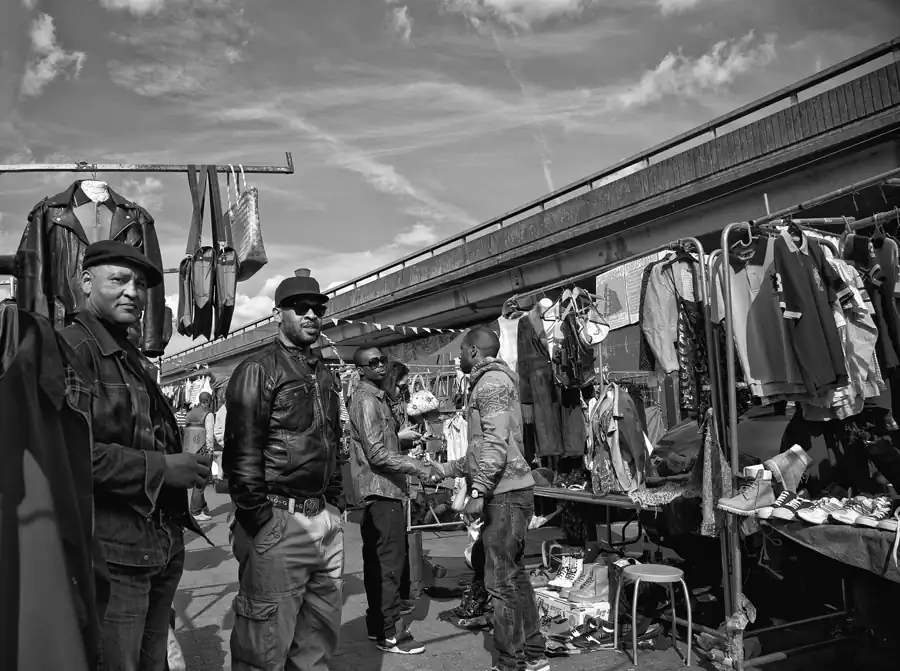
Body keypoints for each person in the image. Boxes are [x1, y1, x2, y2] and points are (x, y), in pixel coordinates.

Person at [60, 240, 210, 671]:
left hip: (157, 546)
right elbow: (69, 455)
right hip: (113, 555)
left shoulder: (128, 355)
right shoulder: (72, 349)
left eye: (140, 284)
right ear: (85, 282)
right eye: (119, 280)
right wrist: (163, 468)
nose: (133, 292)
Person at [224, 270, 345, 671]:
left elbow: (333, 439)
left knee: (317, 641)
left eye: (318, 308)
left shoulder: (323, 372)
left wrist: (335, 503)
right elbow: (241, 452)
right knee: (263, 649)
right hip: (279, 519)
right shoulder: (258, 369)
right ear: (278, 314)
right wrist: (260, 518)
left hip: (323, 519)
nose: (311, 314)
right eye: (299, 307)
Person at [433, 327, 548, 671]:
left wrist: (478, 491)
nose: (458, 357)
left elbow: (496, 445)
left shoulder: (491, 383)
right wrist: (443, 469)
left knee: (500, 581)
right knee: (513, 576)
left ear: (473, 351)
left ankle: (512, 663)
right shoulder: (488, 383)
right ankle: (532, 654)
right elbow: (481, 449)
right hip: (507, 490)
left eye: (461, 350)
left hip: (505, 493)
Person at [348, 347, 443, 655]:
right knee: (388, 566)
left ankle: (380, 625)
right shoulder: (366, 400)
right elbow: (376, 453)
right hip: (381, 491)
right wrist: (419, 467)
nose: (380, 365)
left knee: (381, 565)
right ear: (361, 369)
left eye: (382, 360)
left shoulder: (377, 399)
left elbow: (379, 445)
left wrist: (400, 442)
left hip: (385, 489)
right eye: (373, 362)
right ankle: (391, 633)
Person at [183, 391, 216, 520]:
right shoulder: (208, 414)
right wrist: (210, 450)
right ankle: (195, 511)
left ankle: (202, 507)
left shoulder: (190, 413)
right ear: (208, 401)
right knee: (201, 480)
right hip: (203, 450)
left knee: (199, 477)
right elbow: (209, 433)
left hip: (190, 449)